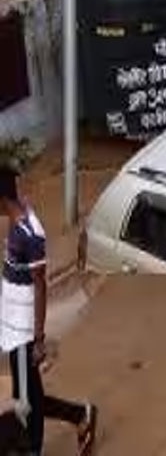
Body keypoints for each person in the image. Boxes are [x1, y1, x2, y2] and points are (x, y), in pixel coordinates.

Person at [0, 168, 97, 456]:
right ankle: (81, 415)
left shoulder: (29, 234)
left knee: (26, 400)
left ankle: (34, 447)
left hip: (24, 332)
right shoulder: (16, 223)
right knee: (29, 395)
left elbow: (40, 285)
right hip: (12, 326)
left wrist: (39, 339)